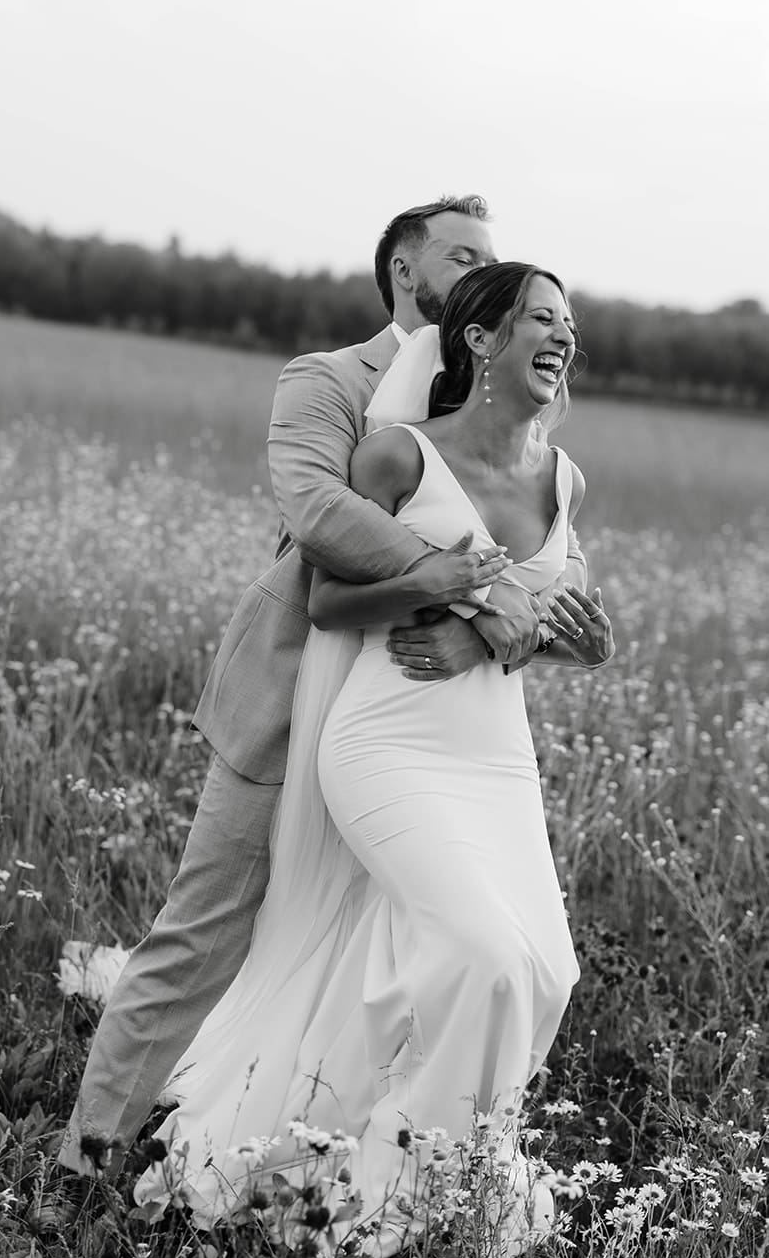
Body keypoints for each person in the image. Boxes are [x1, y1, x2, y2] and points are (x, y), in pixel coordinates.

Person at [58, 201, 585, 1180]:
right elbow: (317, 512)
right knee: (202, 931)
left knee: (396, 953)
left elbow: (548, 590)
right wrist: (479, 584)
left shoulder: (517, 421)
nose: (484, 267)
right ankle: (85, 1160)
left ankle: (354, 1158)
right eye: (461, 254)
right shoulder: (325, 381)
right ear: (401, 269)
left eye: (491, 257)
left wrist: (521, 626)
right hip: (296, 695)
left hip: (423, 733)